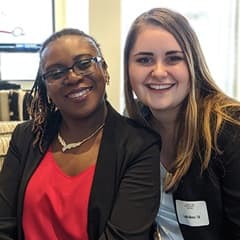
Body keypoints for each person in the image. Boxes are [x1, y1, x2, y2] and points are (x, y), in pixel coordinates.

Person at [0, 28, 161, 240]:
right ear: (45, 86)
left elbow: (124, 237)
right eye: (56, 73)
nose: (72, 77)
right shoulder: (26, 137)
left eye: (84, 63)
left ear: (103, 68)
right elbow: (3, 224)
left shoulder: (140, 144)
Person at [124, 7, 240, 240]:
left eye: (173, 58)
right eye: (144, 59)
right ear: (128, 68)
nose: (158, 72)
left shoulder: (230, 128)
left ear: (193, 64)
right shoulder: (133, 123)